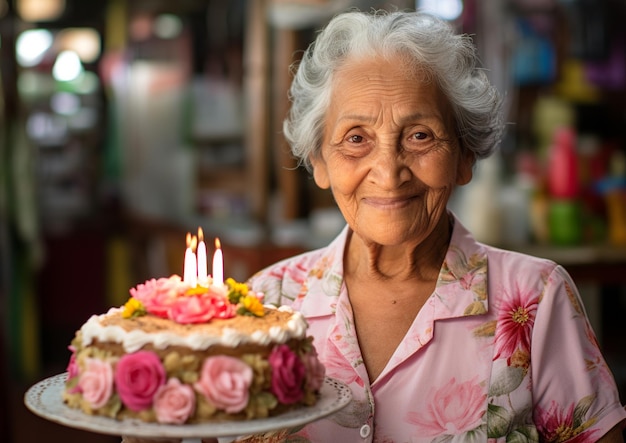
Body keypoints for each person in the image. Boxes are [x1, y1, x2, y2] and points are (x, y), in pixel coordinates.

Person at [125, 8, 626, 443]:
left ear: (464, 157)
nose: (388, 172)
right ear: (319, 162)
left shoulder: (535, 299)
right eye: (356, 138)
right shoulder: (265, 302)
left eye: (420, 135)